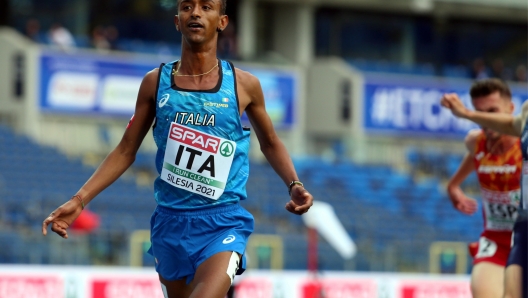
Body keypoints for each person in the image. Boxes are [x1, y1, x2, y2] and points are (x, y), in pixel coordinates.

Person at [42, 1, 314, 298]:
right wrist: (79, 200)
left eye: (206, 7)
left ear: (222, 21)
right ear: (177, 21)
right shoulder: (154, 83)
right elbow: (124, 151)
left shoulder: (244, 85)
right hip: (170, 224)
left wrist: (294, 184)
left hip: (222, 222)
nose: (195, 13)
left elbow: (271, 142)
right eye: (187, 6)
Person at [441, 79, 527, 298]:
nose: (486, 121)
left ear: (510, 110)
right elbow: (475, 157)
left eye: (492, 112)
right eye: (480, 113)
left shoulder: (523, 146)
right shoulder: (474, 141)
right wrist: (453, 185)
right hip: (495, 240)